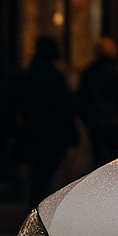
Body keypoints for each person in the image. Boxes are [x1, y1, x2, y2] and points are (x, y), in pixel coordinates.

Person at [12, 36, 78, 205]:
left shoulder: (26, 75)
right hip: (53, 135)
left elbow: (15, 104)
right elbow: (66, 108)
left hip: (32, 133)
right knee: (46, 178)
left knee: (37, 178)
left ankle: (36, 208)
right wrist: (71, 136)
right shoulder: (57, 77)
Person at [76, 36, 118, 169]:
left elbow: (82, 99)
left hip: (96, 123)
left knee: (99, 160)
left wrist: (87, 119)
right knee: (114, 160)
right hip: (115, 123)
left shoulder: (90, 72)